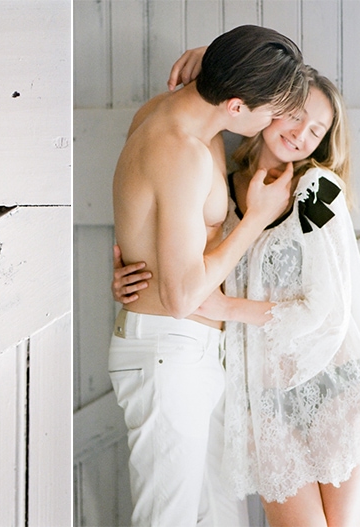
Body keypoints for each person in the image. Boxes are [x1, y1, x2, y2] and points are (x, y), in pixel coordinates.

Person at [113, 61, 360, 526]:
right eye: (296, 115)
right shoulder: (227, 191)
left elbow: (328, 310)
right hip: (267, 404)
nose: (302, 134)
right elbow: (193, 263)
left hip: (331, 386)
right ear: (272, 108)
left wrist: (227, 307)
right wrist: (136, 267)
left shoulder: (315, 193)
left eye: (317, 130)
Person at [109, 25, 310, 526]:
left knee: (220, 518)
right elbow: (180, 297)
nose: (280, 121)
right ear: (237, 107)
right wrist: (257, 220)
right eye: (272, 111)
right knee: (168, 519)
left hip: (189, 351)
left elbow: (157, 231)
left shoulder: (183, 117)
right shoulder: (180, 150)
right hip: (169, 348)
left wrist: (216, 61)